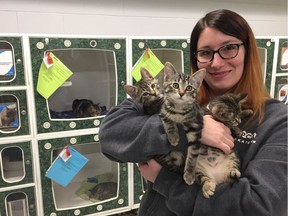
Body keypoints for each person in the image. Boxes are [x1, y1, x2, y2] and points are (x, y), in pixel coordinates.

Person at [99, 9, 287, 216]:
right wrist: (191, 129)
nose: (216, 63)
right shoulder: (168, 96)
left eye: (229, 48)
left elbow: (258, 208)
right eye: (206, 52)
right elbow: (110, 136)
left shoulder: (278, 122)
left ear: (248, 52)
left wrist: (167, 182)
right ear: (196, 59)